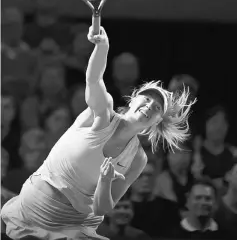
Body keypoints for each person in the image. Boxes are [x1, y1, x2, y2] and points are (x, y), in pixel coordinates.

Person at [1, 26, 195, 240]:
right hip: (35, 207)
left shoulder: (138, 159)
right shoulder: (102, 114)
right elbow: (94, 80)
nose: (150, 106)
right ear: (133, 100)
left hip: (75, 224)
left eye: (157, 107)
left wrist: (105, 181)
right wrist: (102, 48)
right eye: (147, 99)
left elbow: (103, 208)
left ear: (158, 122)